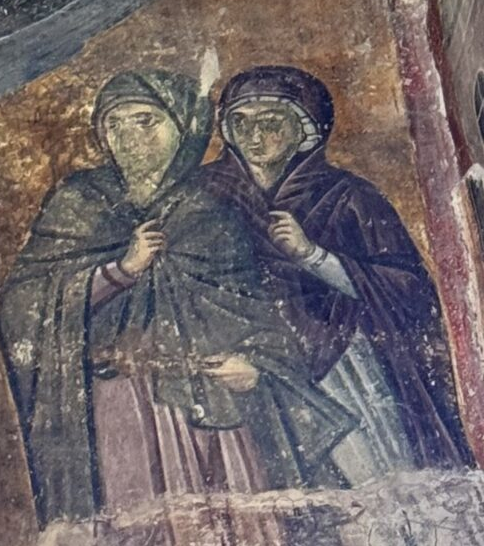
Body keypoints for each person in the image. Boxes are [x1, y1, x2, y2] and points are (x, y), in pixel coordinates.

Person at [0, 70, 351, 526]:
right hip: (121, 403)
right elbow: (21, 305)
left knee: (234, 533)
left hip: (212, 406)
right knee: (140, 527)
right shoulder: (80, 203)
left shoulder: (211, 214)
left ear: (182, 126)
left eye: (146, 121)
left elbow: (255, 314)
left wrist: (255, 368)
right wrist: (120, 271)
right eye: (114, 124)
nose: (129, 136)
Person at [202, 65, 473, 481]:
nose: (254, 137)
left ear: (304, 130)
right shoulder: (210, 197)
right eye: (240, 123)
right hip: (246, 364)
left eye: (270, 123)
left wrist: (313, 256)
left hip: (340, 360)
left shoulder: (350, 196)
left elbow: (410, 289)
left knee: (371, 480)